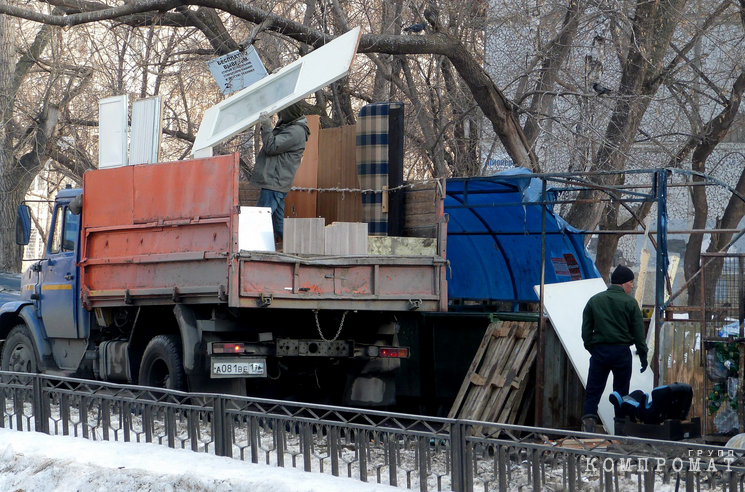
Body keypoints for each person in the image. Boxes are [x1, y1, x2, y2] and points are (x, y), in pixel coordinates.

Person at [581, 264, 648, 433]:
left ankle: (588, 428)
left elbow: (586, 331)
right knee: (621, 393)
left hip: (600, 352)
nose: (632, 286)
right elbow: (639, 334)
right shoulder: (630, 303)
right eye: (631, 282)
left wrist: (593, 349)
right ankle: (620, 431)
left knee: (593, 391)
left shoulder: (594, 300)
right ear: (623, 283)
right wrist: (643, 356)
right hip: (621, 353)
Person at [250, 103, 310, 249]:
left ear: (288, 113)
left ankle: (252, 250)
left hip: (275, 182)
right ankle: (297, 251)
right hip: (277, 182)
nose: (279, 116)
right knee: (278, 224)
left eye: (281, 113)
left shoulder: (295, 131)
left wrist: (266, 126)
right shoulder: (290, 127)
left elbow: (271, 146)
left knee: (260, 219)